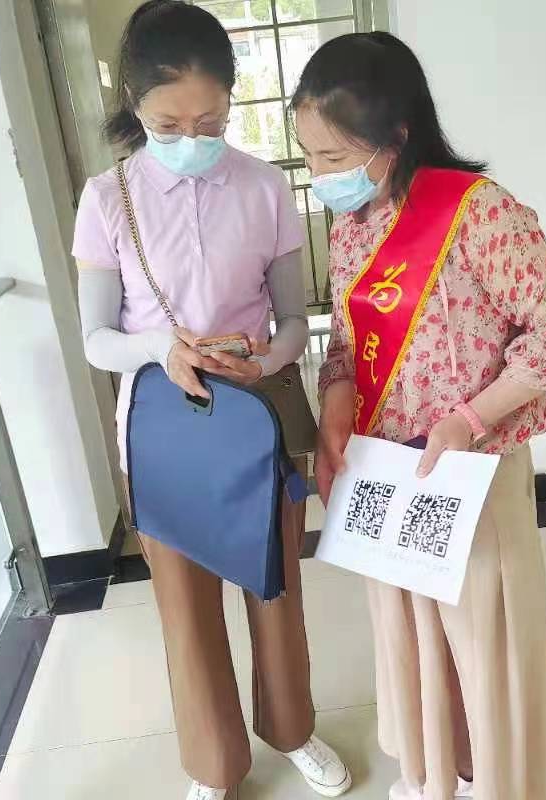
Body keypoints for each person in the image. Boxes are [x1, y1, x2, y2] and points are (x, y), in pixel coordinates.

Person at [293, 32, 546, 800]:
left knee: (481, 644)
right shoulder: (352, 227)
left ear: (396, 136)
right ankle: (435, 774)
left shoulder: (481, 214)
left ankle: (490, 783)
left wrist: (469, 419)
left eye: (335, 157)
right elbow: (344, 341)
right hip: (388, 471)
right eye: (309, 157)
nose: (320, 176)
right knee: (413, 639)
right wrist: (334, 413)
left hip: (468, 475)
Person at [71, 3, 352, 799]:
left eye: (211, 122)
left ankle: (292, 730)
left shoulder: (264, 187)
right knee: (186, 613)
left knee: (276, 590)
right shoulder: (107, 199)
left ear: (231, 103)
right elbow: (96, 339)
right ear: (134, 104)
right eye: (169, 123)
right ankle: (214, 765)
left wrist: (270, 355)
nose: (192, 138)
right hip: (163, 429)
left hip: (259, 418)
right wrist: (161, 346)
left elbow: (295, 318)